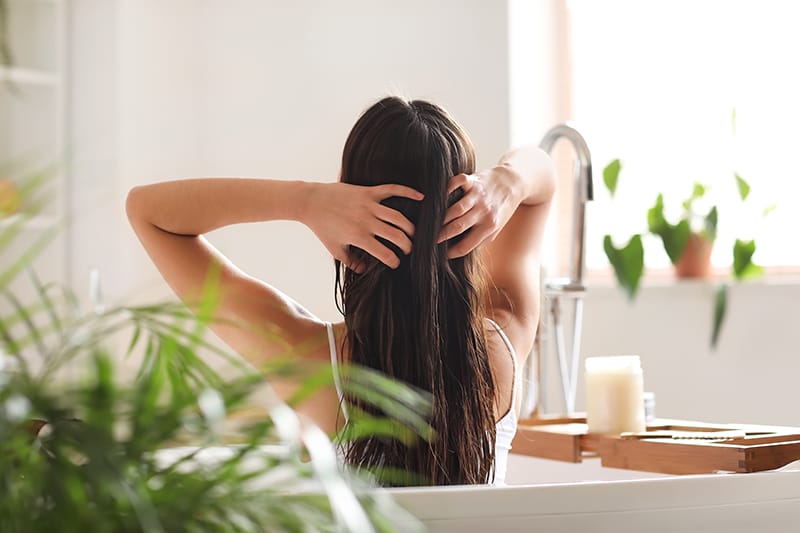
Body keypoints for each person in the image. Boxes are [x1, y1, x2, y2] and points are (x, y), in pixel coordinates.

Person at [126, 96, 554, 486]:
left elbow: (148, 211)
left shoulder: (306, 359)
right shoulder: (503, 347)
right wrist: (507, 181)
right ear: (473, 211)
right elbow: (543, 181)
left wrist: (306, 201)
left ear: (347, 205)